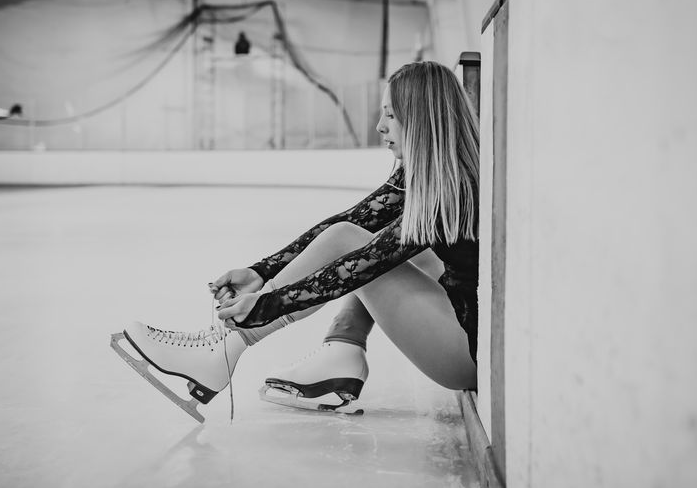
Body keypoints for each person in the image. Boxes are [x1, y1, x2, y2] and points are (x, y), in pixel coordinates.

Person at [114, 61, 479, 419]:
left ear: (422, 121)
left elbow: (357, 267)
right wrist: (262, 270)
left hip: (463, 353)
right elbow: (349, 221)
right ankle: (341, 350)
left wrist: (268, 305)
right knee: (352, 234)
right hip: (452, 319)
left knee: (359, 248)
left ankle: (223, 353)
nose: (380, 126)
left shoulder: (448, 191)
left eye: (392, 116)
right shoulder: (434, 174)